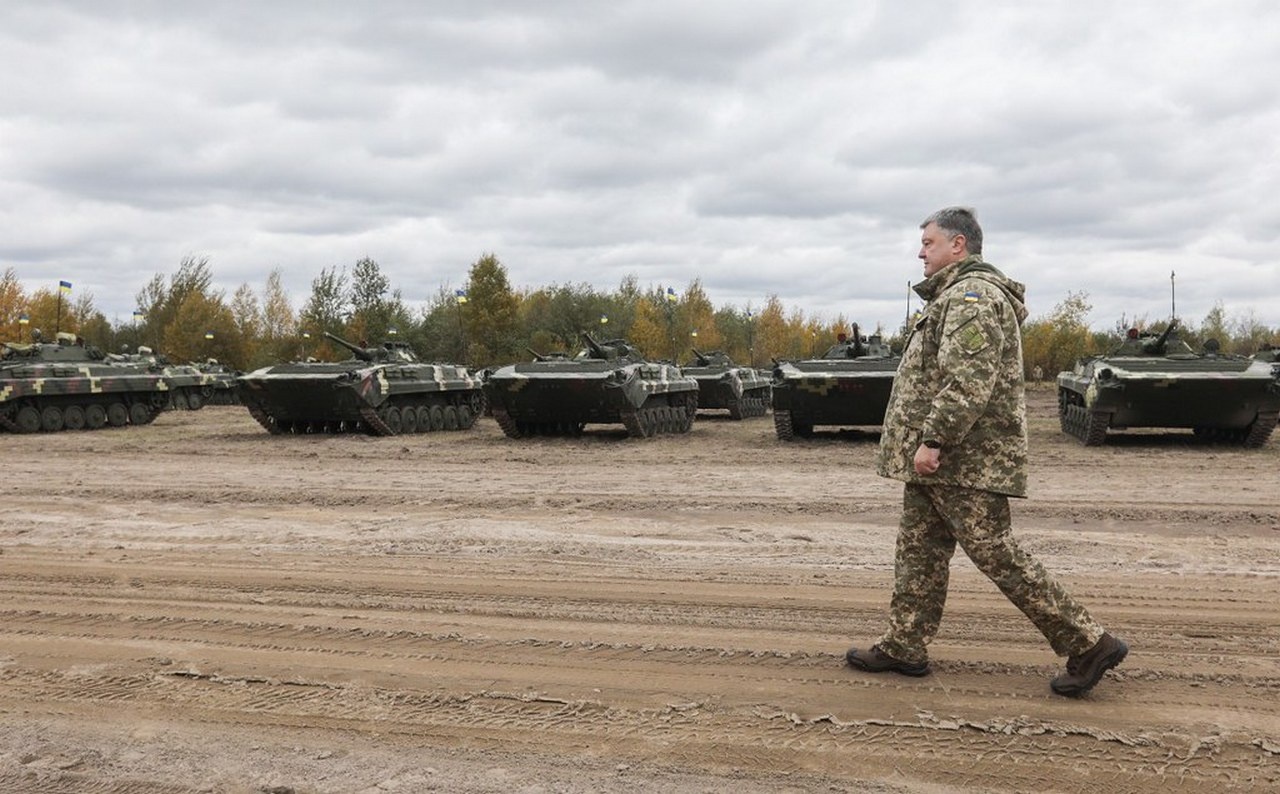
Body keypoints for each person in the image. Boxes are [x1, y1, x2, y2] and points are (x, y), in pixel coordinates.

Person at [846, 207, 1128, 697]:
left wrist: (934, 440)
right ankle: (905, 645)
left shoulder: (971, 298)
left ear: (959, 246)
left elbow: (968, 381)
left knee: (997, 553)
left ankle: (1088, 642)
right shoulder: (953, 297)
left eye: (929, 243)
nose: (920, 252)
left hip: (962, 458)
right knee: (919, 551)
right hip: (939, 460)